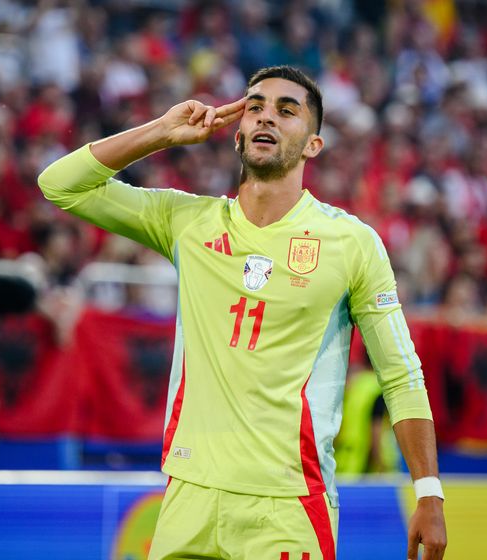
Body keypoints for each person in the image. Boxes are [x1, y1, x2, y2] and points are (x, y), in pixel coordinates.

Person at [39, 65, 446, 560]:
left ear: (313, 145)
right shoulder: (185, 222)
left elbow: (401, 374)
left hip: (287, 506)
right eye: (254, 107)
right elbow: (60, 184)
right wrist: (161, 134)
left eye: (285, 110)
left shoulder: (351, 244)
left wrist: (429, 491)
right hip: (189, 495)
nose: (265, 118)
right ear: (237, 133)